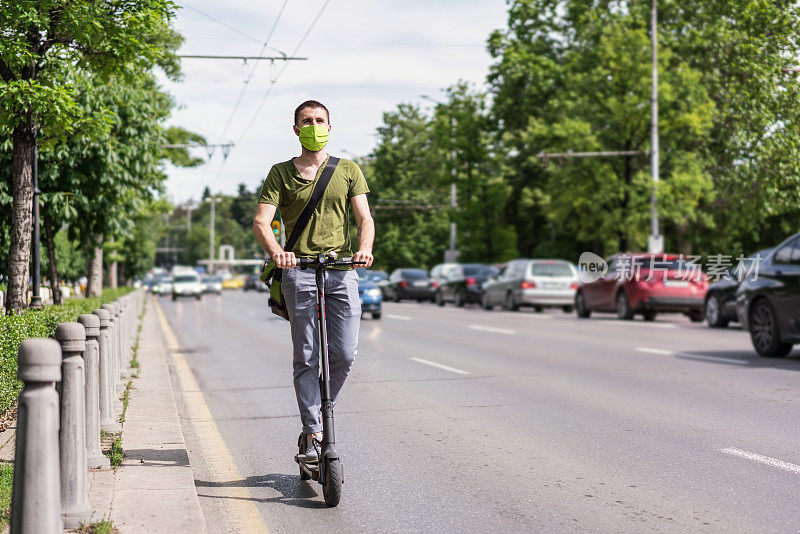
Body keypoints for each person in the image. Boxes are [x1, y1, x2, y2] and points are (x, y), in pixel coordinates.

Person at [252, 100, 374, 462]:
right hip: (299, 271)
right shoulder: (281, 173)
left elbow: (364, 218)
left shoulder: (349, 169)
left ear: (330, 128)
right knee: (306, 356)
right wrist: (278, 253)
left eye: (320, 120)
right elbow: (262, 221)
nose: (314, 125)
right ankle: (315, 432)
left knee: (345, 354)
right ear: (296, 130)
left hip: (341, 270)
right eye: (307, 121)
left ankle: (316, 415)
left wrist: (364, 249)